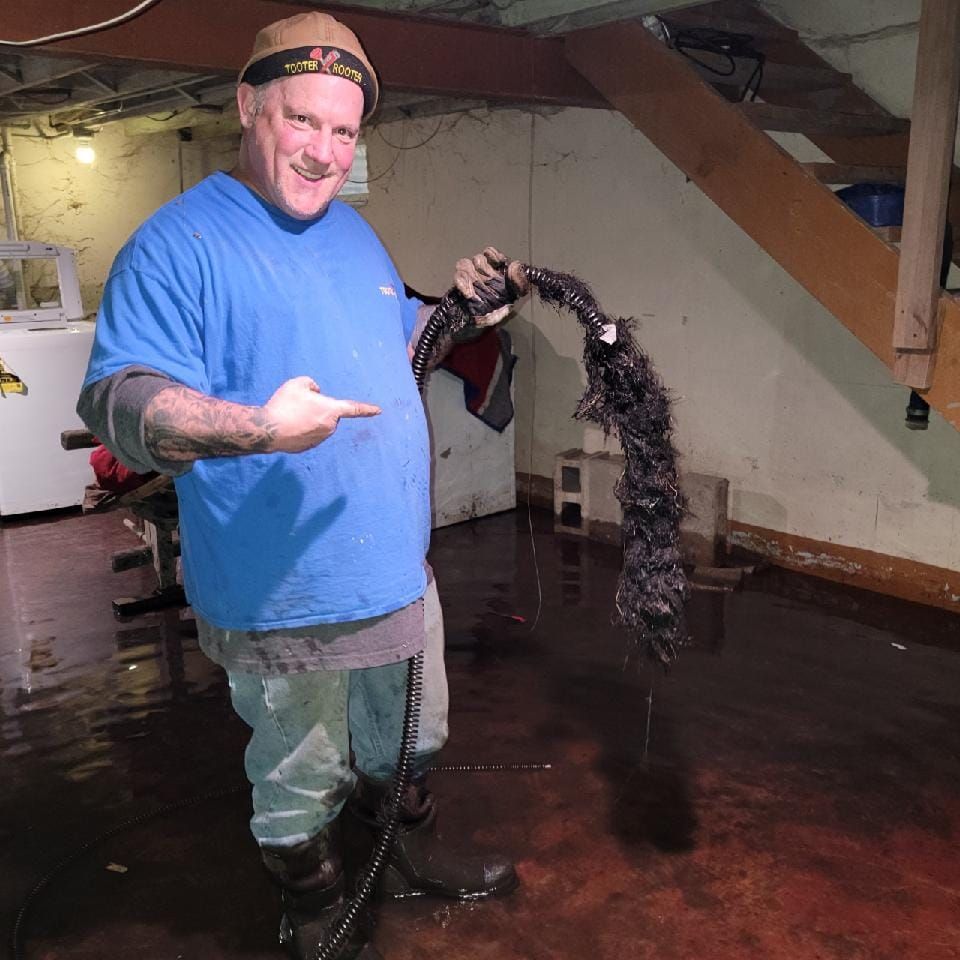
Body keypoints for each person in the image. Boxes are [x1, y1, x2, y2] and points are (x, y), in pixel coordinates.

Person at [77, 12, 526, 960]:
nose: (324, 152)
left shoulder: (354, 233)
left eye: (344, 130)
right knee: (298, 768)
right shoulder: (177, 246)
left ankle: (402, 857)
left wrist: (460, 310)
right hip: (284, 586)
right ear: (247, 106)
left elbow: (400, 342)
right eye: (302, 122)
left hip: (394, 570)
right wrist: (258, 429)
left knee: (410, 738)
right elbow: (122, 400)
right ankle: (313, 898)